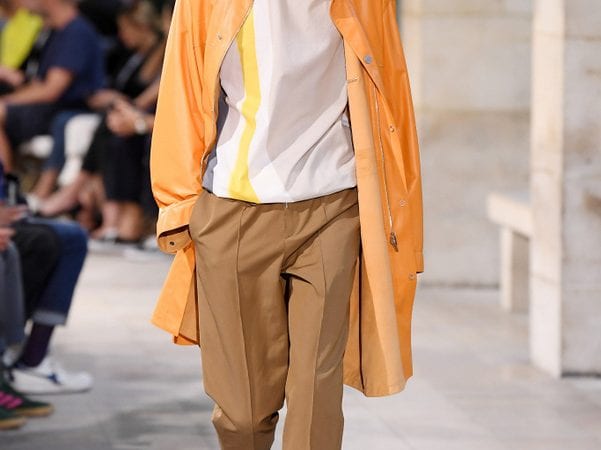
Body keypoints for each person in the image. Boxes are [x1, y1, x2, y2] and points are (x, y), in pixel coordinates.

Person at [150, 1, 424, 449]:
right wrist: (178, 203)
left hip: (334, 203)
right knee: (242, 413)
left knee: (317, 392)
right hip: (234, 208)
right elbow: (181, 87)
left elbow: (392, 90)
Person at [0, 0, 104, 173]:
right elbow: (40, 83)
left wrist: (7, 101)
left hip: (65, 108)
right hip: (47, 108)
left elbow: (52, 90)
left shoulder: (76, 32)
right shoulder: (53, 31)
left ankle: (4, 185)